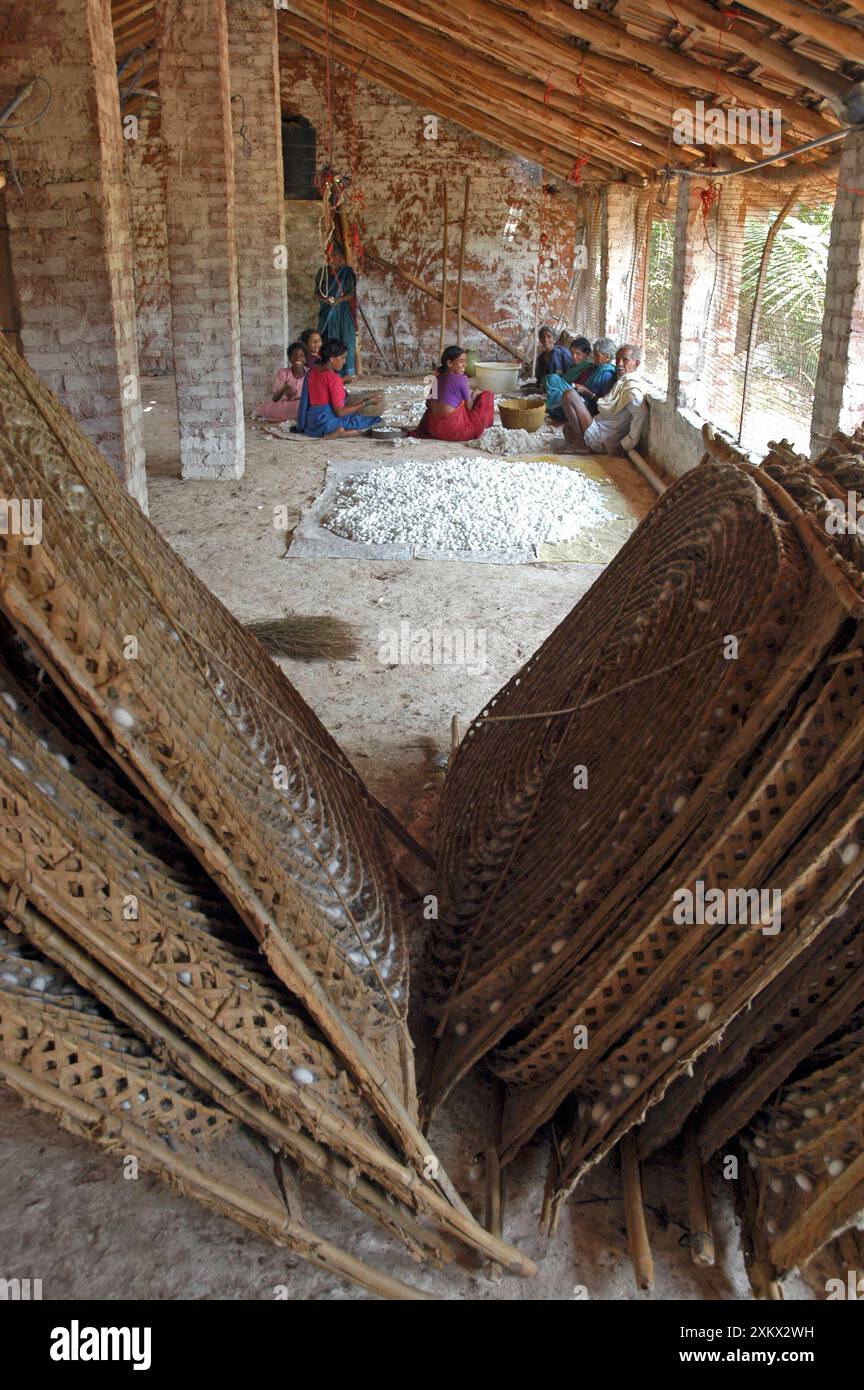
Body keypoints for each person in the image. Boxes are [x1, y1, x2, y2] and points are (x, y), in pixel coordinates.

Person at [559, 344, 646, 455]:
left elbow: (642, 414)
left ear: (637, 363)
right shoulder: (622, 382)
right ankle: (582, 444)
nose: (619, 364)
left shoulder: (632, 390)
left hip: (602, 438)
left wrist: (625, 445)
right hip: (599, 427)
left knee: (569, 394)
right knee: (568, 429)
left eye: (625, 360)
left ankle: (580, 445)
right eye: (618, 359)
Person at [297, 338, 383, 438]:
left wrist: (300, 426)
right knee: (376, 421)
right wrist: (367, 401)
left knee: (356, 418)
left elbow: (308, 399)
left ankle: (341, 431)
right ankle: (341, 433)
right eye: (342, 358)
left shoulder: (311, 373)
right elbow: (340, 412)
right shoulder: (333, 378)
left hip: (313, 424)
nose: (344, 361)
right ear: (332, 358)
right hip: (327, 424)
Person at [410, 345, 494, 442]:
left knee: (459, 399)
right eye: (461, 361)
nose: (465, 365)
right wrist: (474, 395)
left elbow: (428, 404)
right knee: (487, 395)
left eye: (465, 361)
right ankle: (484, 431)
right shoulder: (460, 379)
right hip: (454, 432)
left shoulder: (436, 378)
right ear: (449, 363)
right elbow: (470, 407)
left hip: (434, 429)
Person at [549, 336, 617, 421]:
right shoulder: (597, 368)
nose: (594, 357)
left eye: (597, 355)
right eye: (594, 354)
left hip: (588, 406)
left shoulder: (606, 374)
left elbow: (604, 403)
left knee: (557, 387)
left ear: (607, 357)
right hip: (582, 398)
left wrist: (586, 391)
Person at [316, 247, 358, 379]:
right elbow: (316, 293)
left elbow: (351, 293)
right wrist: (326, 300)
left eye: (336, 255)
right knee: (330, 341)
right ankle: (332, 373)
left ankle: (347, 374)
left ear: (340, 257)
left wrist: (339, 300)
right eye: (330, 255)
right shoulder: (322, 272)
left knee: (347, 341)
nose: (333, 258)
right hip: (328, 311)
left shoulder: (347, 272)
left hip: (343, 311)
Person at [253, 341, 308, 423]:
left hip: (301, 406)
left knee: (303, 406)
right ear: (290, 359)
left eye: (301, 355)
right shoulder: (283, 373)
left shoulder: (310, 374)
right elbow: (275, 399)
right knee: (293, 408)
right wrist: (284, 389)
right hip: (284, 407)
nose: (298, 359)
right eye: (294, 356)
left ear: (305, 358)